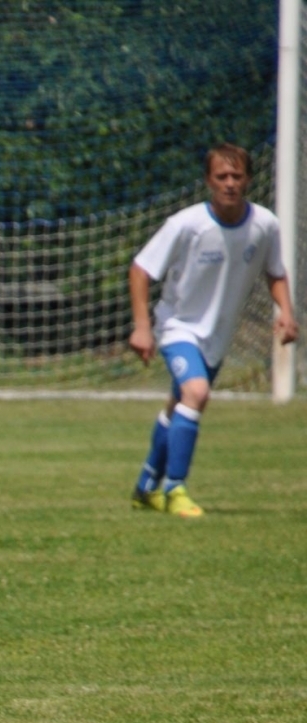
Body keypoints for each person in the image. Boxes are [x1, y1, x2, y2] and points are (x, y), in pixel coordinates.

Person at [126, 143, 297, 517]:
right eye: (222, 176)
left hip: (216, 338)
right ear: (208, 181)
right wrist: (143, 328)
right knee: (197, 392)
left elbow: (276, 271)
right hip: (178, 328)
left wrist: (286, 311)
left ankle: (145, 486)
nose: (230, 183)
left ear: (249, 179)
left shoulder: (264, 224)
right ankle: (176, 489)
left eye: (237, 176)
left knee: (179, 405)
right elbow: (140, 270)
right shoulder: (186, 224)